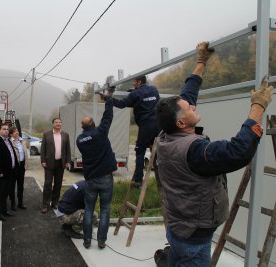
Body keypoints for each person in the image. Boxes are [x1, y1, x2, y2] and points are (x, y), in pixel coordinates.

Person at [155, 41, 273, 266]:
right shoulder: (194, 150)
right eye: (190, 109)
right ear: (181, 122)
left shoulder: (165, 135)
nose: (193, 107)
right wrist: (257, 107)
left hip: (179, 229)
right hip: (194, 238)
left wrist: (201, 62)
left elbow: (187, 95)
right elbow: (237, 152)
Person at [76, 94, 117, 249]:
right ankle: (101, 241)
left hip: (91, 179)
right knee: (105, 210)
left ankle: (87, 241)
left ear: (83, 127)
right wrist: (109, 100)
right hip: (106, 178)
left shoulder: (80, 140)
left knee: (88, 210)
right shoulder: (100, 132)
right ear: (93, 124)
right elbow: (108, 117)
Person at [111, 74, 160, 188]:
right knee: (158, 151)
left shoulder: (135, 94)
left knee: (140, 151)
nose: (133, 83)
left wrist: (109, 98)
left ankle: (138, 180)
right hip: (158, 125)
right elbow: (145, 97)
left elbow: (122, 104)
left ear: (138, 82)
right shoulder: (153, 89)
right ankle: (164, 176)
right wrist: (134, 92)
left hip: (146, 126)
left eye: (134, 82)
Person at [40, 118, 71, 214]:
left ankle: (55, 203)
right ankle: (45, 205)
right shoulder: (47, 134)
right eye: (56, 122)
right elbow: (43, 149)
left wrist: (68, 161)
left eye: (59, 122)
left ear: (61, 124)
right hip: (49, 163)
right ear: (53, 124)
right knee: (48, 184)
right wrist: (43, 160)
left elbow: (68, 150)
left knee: (58, 185)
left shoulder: (65, 135)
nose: (58, 124)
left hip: (60, 163)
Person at [0, 123, 19, 221]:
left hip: (10, 173)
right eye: (4, 129)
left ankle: (4, 211)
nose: (6, 130)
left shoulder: (8, 141)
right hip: (1, 174)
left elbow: (12, 155)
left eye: (7, 129)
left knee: (6, 193)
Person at [8, 126, 28, 210]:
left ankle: (20, 203)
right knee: (12, 186)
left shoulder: (22, 141)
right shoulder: (9, 142)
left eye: (17, 131)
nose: (17, 132)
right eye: (15, 131)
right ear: (11, 134)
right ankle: (13, 204)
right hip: (14, 166)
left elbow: (25, 153)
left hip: (22, 166)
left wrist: (26, 165)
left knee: (20, 185)